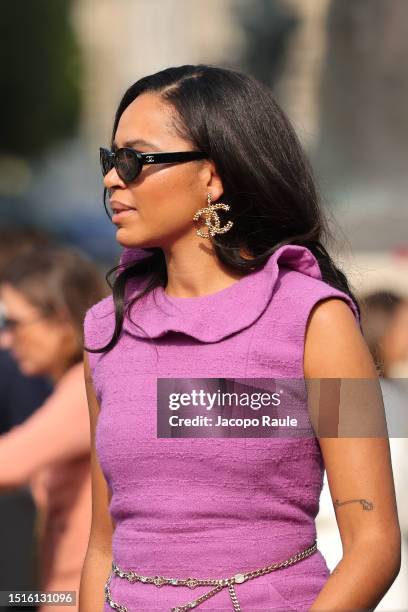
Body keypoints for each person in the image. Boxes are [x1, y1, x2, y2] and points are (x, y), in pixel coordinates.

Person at [79, 64, 401, 612]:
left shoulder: (317, 321)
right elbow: (101, 547)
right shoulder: (106, 329)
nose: (113, 179)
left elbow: (374, 544)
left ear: (213, 175)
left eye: (135, 159)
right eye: (111, 160)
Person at [0, 244, 107, 612]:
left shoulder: (84, 386)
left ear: (61, 319)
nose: (5, 340)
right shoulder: (71, 386)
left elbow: (8, 465)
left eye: (13, 324)